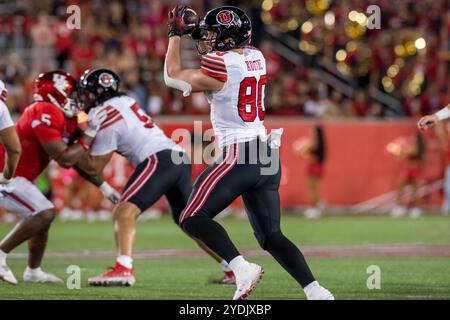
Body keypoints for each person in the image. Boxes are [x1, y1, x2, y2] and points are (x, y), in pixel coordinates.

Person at [164, 5, 334, 300]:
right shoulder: (256, 56)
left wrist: (176, 35)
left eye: (214, 33)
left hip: (241, 154)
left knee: (190, 217)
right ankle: (317, 292)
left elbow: (172, 75)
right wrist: (196, 32)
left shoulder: (219, 62)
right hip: (266, 154)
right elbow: (224, 56)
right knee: (271, 236)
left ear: (228, 39)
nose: (208, 38)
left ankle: (241, 268)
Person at [78, 68, 234, 286]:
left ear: (98, 93)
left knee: (124, 212)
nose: (84, 97)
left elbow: (94, 167)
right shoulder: (124, 101)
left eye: (87, 93)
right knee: (189, 221)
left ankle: (123, 268)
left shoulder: (102, 112)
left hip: (158, 159)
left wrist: (70, 149)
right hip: (177, 157)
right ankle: (234, 267)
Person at [0, 72, 119, 285]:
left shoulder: (65, 117)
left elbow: (76, 158)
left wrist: (104, 186)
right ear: (57, 91)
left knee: (42, 222)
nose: (75, 98)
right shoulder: (43, 110)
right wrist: (89, 133)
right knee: (44, 212)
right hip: (6, 175)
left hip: (19, 178)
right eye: (71, 93)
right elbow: (64, 159)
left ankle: (33, 272)